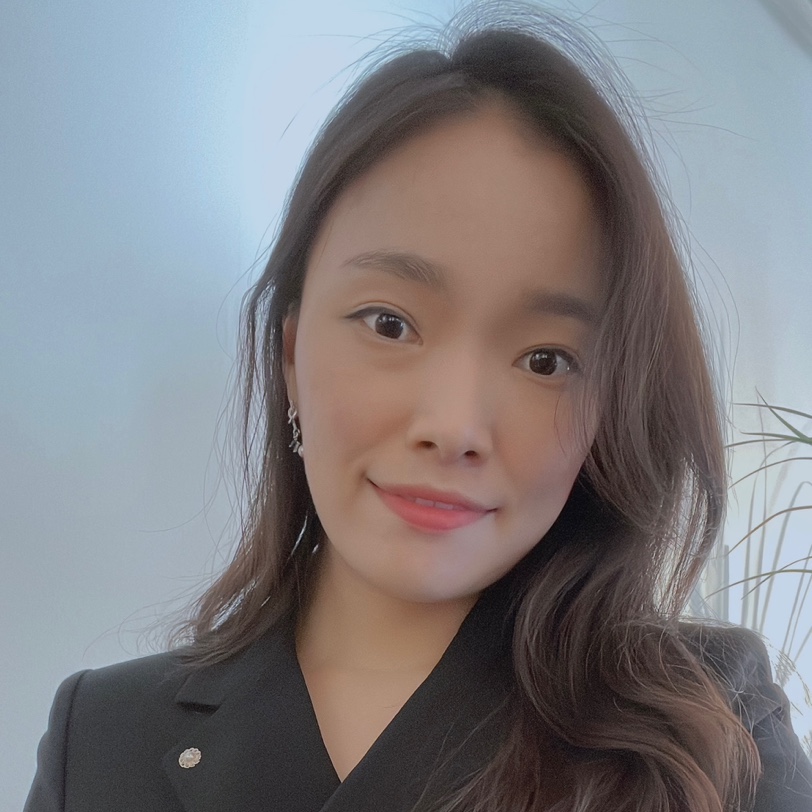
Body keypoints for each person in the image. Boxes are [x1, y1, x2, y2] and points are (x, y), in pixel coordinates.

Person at [24, 3, 812, 811]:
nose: (454, 427)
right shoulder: (104, 736)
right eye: (389, 324)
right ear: (291, 354)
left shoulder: (713, 732)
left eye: (546, 360)